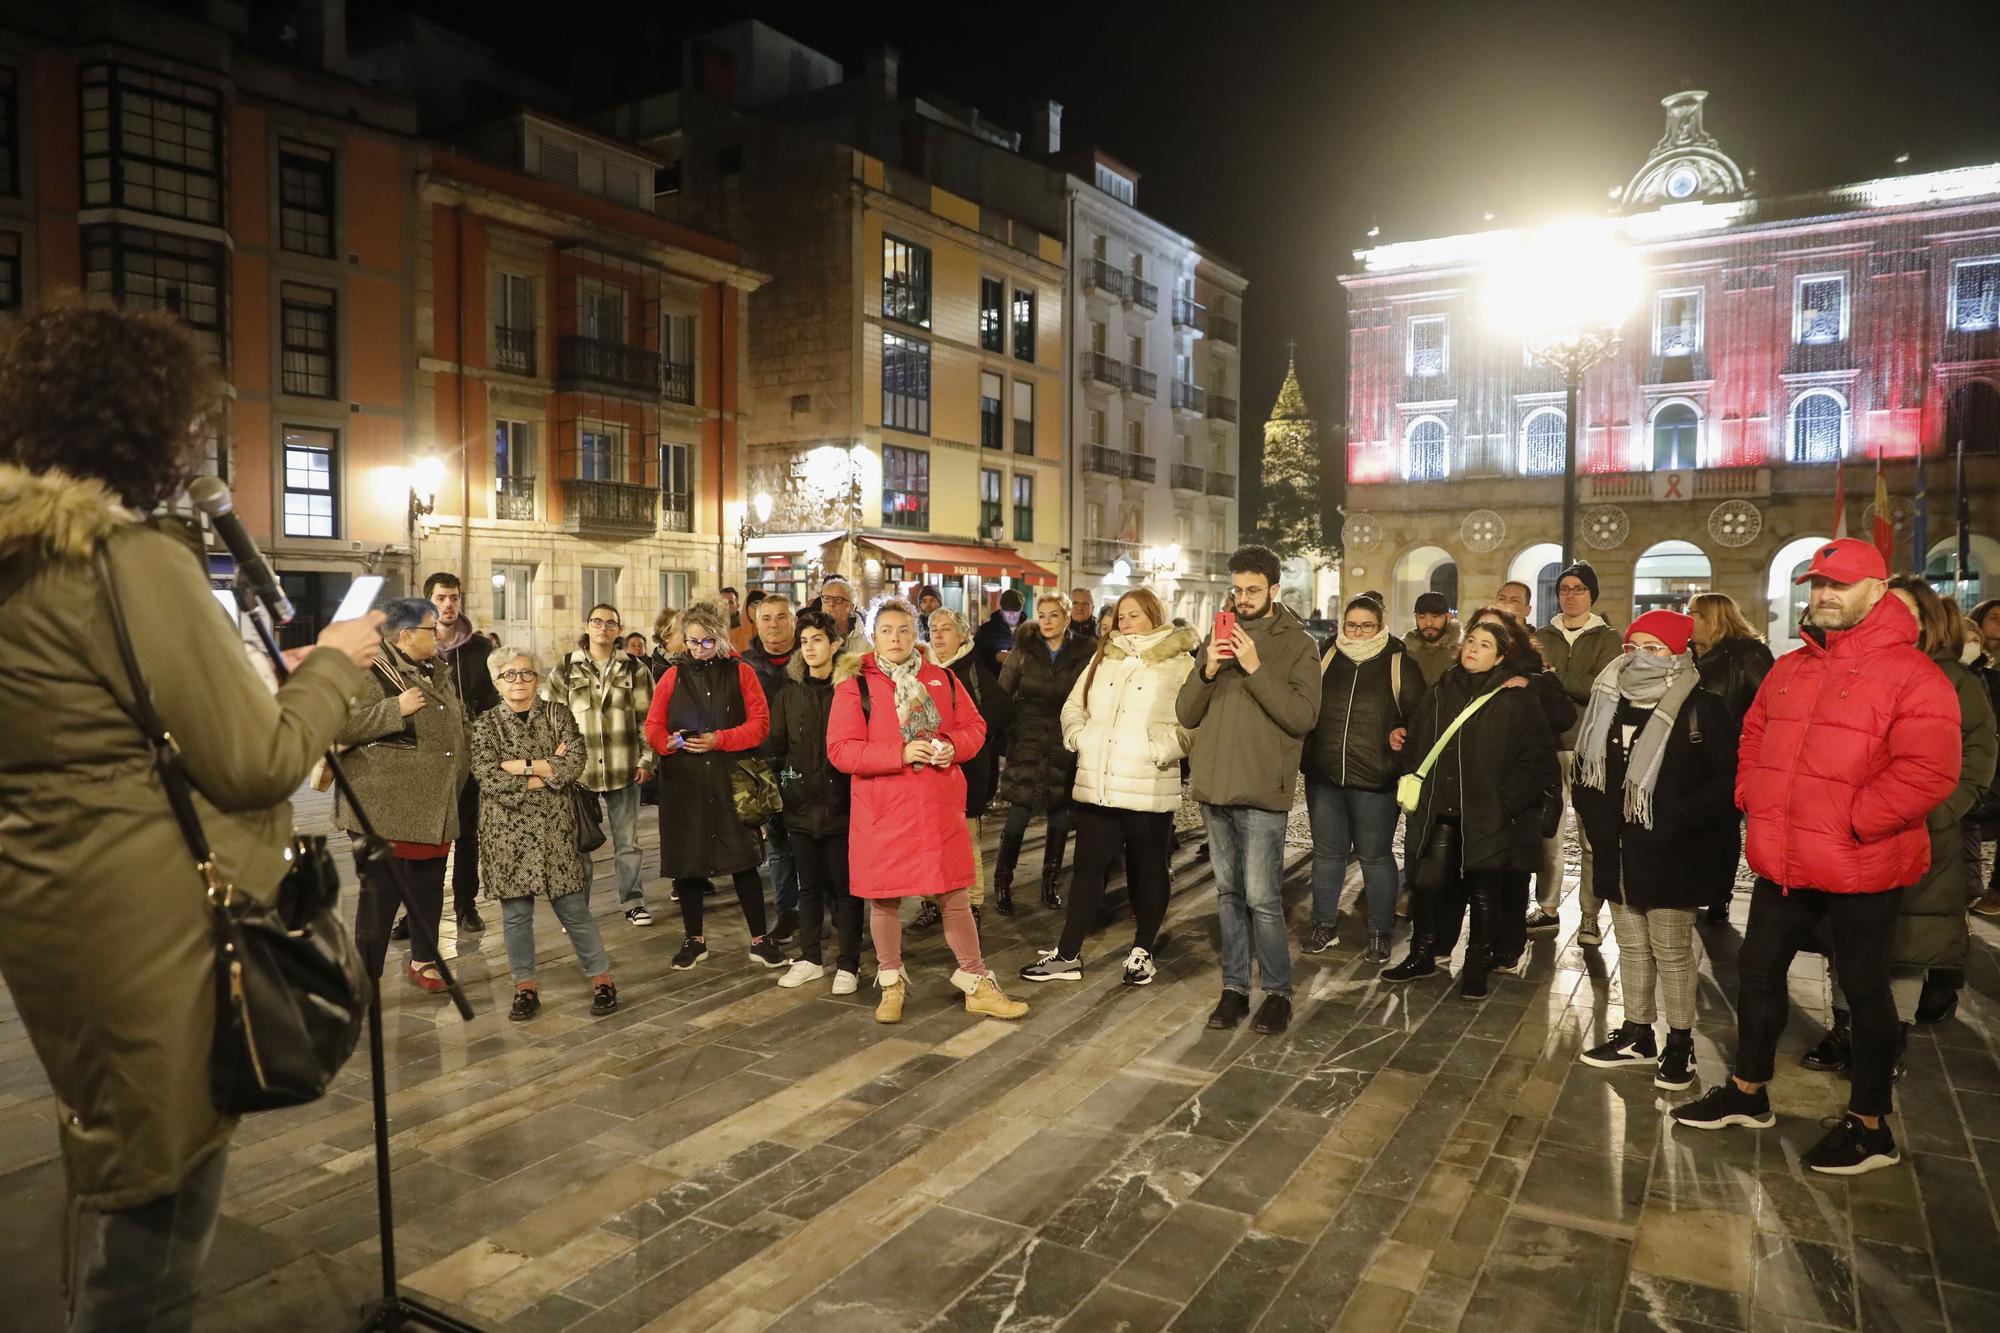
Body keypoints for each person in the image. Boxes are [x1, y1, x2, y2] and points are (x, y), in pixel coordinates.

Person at [0, 303, 383, 1331]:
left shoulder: (18, 564)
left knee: (116, 1170)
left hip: (57, 913)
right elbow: (256, 760)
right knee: (159, 1227)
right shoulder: (124, 559)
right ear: (142, 425)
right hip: (154, 929)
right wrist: (339, 667)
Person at [1671, 539, 1960, 1177]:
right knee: (1758, 970)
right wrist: (1752, 793)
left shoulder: (1914, 674)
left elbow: (1930, 771)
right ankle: (1748, 1093)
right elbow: (1753, 733)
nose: (1823, 596)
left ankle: (1870, 1126)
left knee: (1863, 990)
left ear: (1877, 592)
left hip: (1861, 862)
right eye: (1818, 584)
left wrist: (1854, 821)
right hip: (1784, 860)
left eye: (1839, 585)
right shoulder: (1792, 666)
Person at [1801, 579, 1993, 1054]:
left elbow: (1977, 757)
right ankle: (1845, 1027)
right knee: (1845, 938)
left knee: (1906, 943)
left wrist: (1935, 812)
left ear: (1927, 620)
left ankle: (1890, 1038)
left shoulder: (1953, 679)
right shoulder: (1852, 667)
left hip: (1922, 833)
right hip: (1849, 834)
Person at [827, 597, 1029, 1021]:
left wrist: (951, 747)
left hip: (937, 808)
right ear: (873, 637)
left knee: (954, 895)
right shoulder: (855, 686)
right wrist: (899, 753)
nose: (896, 638)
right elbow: (842, 751)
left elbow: (975, 727)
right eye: (886, 631)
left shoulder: (943, 679)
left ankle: (977, 983)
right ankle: (891, 983)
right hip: (883, 811)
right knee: (884, 901)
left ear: (914, 634)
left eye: (903, 630)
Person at [1571, 612, 1738, 1093]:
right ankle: (1638, 1033)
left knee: (1672, 950)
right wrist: (1598, 822)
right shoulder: (1609, 701)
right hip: (1618, 851)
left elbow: (1725, 783)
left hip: (1672, 852)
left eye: (1654, 647)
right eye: (1632, 646)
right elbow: (1587, 772)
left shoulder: (1702, 707)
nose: (1639, 657)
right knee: (1631, 946)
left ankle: (1680, 1042)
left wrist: (1670, 817)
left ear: (1678, 652)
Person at [1177, 544, 1323, 1035]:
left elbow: (1302, 717)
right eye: (1236, 590)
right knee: (1227, 894)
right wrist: (1208, 670)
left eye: (1252, 590)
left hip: (1261, 788)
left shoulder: (1299, 643)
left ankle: (1278, 993)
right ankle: (1234, 989)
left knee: (1262, 898)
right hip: (1214, 787)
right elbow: (1186, 713)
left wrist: (1256, 667)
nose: (1242, 598)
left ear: (1274, 590)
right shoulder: (1216, 635)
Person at [1021, 589, 1197, 984]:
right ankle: (1067, 955)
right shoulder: (1104, 658)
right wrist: (1081, 737)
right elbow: (1073, 705)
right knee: (1086, 869)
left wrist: (1159, 749)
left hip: (1147, 782)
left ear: (1154, 615)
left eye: (1133, 615)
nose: (1125, 622)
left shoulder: (1179, 664)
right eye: (1121, 616)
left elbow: (1193, 723)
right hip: (1098, 782)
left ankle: (1142, 951)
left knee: (1148, 868)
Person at [1380, 618, 1559, 1000]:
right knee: (1428, 885)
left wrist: (1506, 803)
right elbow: (1417, 737)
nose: (1474, 649)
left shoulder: (1515, 695)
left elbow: (1537, 758)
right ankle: (1422, 954)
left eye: (1484, 645)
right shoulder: (1442, 687)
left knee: (1483, 891)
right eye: (1471, 641)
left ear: (1500, 656)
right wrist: (1411, 773)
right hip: (1440, 808)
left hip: (1488, 812)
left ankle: (1476, 965)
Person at [471, 648, 618, 1019]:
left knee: (573, 908)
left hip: (555, 828)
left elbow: (573, 764)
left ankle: (602, 980)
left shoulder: (558, 715)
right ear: (495, 682)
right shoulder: (486, 725)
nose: (518, 681)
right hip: (506, 831)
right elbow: (486, 774)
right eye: (509, 675)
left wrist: (519, 767)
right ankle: (524, 987)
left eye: (526, 674)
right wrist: (545, 770)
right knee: (516, 914)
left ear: (537, 678)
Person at [336, 597, 471, 992]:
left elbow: (457, 721)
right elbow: (340, 726)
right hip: (384, 808)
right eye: (433, 629)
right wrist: (395, 707)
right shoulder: (367, 668)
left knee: (429, 886)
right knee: (380, 897)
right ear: (406, 635)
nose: (440, 633)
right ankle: (364, 978)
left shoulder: (435, 670)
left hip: (434, 804)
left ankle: (424, 961)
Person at [642, 601, 787, 969]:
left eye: (706, 642)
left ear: (720, 638)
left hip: (730, 780)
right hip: (684, 783)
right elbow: (653, 728)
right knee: (687, 862)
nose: (697, 649)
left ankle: (759, 938)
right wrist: (669, 742)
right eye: (691, 642)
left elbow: (760, 725)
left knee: (744, 860)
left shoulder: (741, 673)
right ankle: (694, 939)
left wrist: (718, 739)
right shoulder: (672, 677)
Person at [1301, 595, 1424, 964]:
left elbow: (1421, 716)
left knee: (1375, 856)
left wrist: (1401, 732)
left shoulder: (1399, 662)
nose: (1357, 632)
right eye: (1351, 625)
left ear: (1380, 625)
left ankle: (1378, 932)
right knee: (1327, 855)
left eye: (1365, 625)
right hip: (1324, 775)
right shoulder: (1325, 656)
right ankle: (1324, 925)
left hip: (1376, 778)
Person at [544, 603, 657, 927]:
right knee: (579, 845)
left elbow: (646, 720)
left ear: (618, 630)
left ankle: (633, 902)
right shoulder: (566, 668)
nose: (603, 628)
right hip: (581, 772)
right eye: (597, 622)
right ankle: (578, 911)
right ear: (586, 625)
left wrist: (646, 758)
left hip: (624, 767)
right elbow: (550, 717)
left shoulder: (634, 669)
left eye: (610, 623)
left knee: (628, 843)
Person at [769, 610, 863, 993]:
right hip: (801, 807)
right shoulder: (789, 693)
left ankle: (849, 963)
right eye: (804, 641)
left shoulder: (851, 689)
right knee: (807, 886)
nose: (809, 648)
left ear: (835, 644)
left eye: (818, 640)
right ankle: (810, 958)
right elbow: (776, 746)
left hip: (843, 805)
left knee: (845, 889)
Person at [1529, 561, 1622, 944]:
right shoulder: (1542, 635)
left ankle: (1589, 914)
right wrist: (1553, 681)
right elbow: (1532, 682)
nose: (1570, 595)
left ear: (1591, 595)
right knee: (1547, 832)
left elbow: (1601, 686)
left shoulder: (1608, 638)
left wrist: (1553, 678)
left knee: (1590, 836)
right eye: (1564, 589)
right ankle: (1547, 908)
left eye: (1578, 589)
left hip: (1590, 748)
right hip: (1547, 745)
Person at [996, 592, 1094, 911]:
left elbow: (1090, 698)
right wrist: (1013, 732)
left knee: (1060, 818)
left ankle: (1050, 882)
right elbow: (1002, 693)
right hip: (1027, 741)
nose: (1047, 621)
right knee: (1016, 818)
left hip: (1063, 742)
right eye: (1042, 614)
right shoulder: (1025, 648)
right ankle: (1002, 882)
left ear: (1067, 617)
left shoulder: (1084, 651)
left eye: (1054, 614)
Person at [1688, 591, 1774, 923]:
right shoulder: (1688, 654)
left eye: (1694, 613)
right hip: (1692, 752)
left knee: (1723, 828)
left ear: (1713, 618)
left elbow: (1770, 702)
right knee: (1695, 824)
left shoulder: (1748, 654)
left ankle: (1718, 894)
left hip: (1732, 755)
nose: (1688, 618)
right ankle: (1696, 887)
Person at [924, 607, 1014, 917]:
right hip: (930, 769)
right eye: (933, 628)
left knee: (965, 839)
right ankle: (932, 902)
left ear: (963, 635)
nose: (937, 634)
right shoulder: (921, 669)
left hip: (969, 769)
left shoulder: (975, 669)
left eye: (945, 628)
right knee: (929, 839)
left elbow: (1001, 711)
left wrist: (965, 732)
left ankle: (972, 904)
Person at [426, 572, 498, 933]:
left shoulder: (480, 649)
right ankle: (420, 911)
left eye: (453, 597)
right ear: (429, 602)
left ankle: (466, 905)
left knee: (468, 833)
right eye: (441, 598)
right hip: (429, 758)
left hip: (470, 755)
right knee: (429, 835)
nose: (448, 604)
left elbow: (490, 700)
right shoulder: (417, 646)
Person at [743, 593, 801, 940]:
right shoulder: (745, 665)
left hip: (808, 763)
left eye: (782, 617)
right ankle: (787, 911)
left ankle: (820, 906)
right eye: (767, 618)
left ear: (793, 621)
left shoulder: (809, 656)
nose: (774, 624)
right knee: (778, 845)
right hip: (765, 765)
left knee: (812, 842)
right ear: (756, 622)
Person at [1403, 590, 1460, 686]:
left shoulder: (1461, 652)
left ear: (1449, 617)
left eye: (1435, 616)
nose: (1428, 623)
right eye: (1422, 617)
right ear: (1416, 618)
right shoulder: (1404, 652)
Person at [975, 587, 1026, 675]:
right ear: (1001, 610)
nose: (1011, 615)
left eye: (1015, 612)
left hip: (1022, 683)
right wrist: (995, 658)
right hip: (995, 681)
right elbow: (975, 658)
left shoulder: (1030, 630)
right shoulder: (987, 630)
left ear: (1021, 610)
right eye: (1007, 611)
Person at [816, 575, 869, 655]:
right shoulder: (812, 632)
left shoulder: (866, 639)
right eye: (827, 598)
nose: (831, 604)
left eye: (838, 600)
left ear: (851, 606)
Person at [730, 589, 765, 654]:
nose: (758, 608)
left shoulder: (774, 635)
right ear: (746, 608)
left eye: (763, 604)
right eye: (755, 604)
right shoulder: (732, 636)